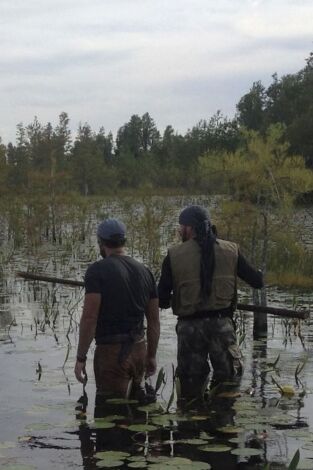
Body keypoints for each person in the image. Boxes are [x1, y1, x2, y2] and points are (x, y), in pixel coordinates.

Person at [158, 205, 263, 399]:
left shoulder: (174, 255)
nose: (180, 231)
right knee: (228, 383)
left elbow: (162, 300)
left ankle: (191, 423)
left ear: (189, 229)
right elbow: (257, 282)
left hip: (189, 329)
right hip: (222, 326)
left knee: (189, 386)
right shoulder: (232, 250)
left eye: (181, 227)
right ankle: (221, 423)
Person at [74, 218, 160, 402]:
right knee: (137, 417)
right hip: (139, 349)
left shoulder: (97, 271)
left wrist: (81, 357)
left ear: (101, 242)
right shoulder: (145, 271)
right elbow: (154, 320)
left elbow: (89, 318)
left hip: (111, 354)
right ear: (124, 241)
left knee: (110, 414)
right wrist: (151, 355)